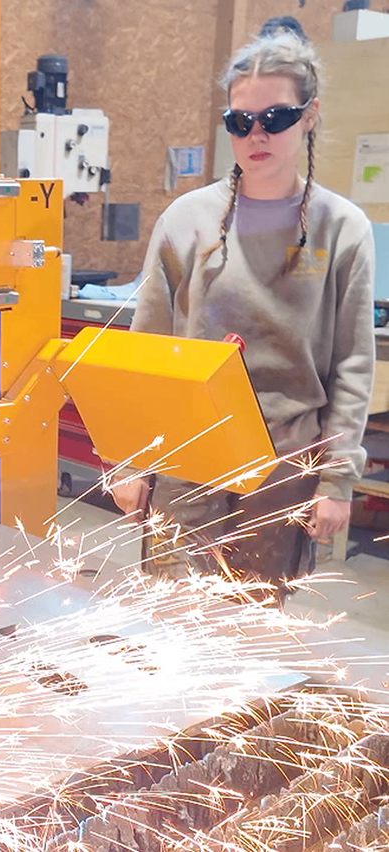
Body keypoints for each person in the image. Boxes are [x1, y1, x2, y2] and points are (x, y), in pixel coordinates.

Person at [111, 27, 376, 598]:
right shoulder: (188, 220)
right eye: (240, 122)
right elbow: (145, 346)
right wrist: (131, 462)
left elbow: (354, 364)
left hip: (283, 465)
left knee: (252, 630)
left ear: (309, 116)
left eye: (275, 118)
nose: (256, 134)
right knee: (172, 617)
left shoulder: (342, 227)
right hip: (188, 458)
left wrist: (336, 478)